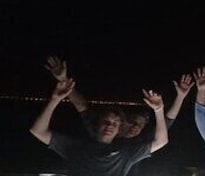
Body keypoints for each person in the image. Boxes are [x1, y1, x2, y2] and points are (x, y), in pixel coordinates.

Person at [29, 78, 169, 176]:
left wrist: (159, 110)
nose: (109, 126)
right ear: (97, 125)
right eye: (106, 122)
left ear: (119, 130)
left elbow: (161, 141)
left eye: (114, 124)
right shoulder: (77, 147)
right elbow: (38, 131)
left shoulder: (125, 152)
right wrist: (54, 99)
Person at [44, 56, 194, 140]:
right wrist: (63, 80)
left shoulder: (140, 141)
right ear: (122, 123)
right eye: (133, 122)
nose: (136, 127)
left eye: (140, 125)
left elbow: (167, 121)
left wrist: (180, 96)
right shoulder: (102, 130)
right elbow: (81, 105)